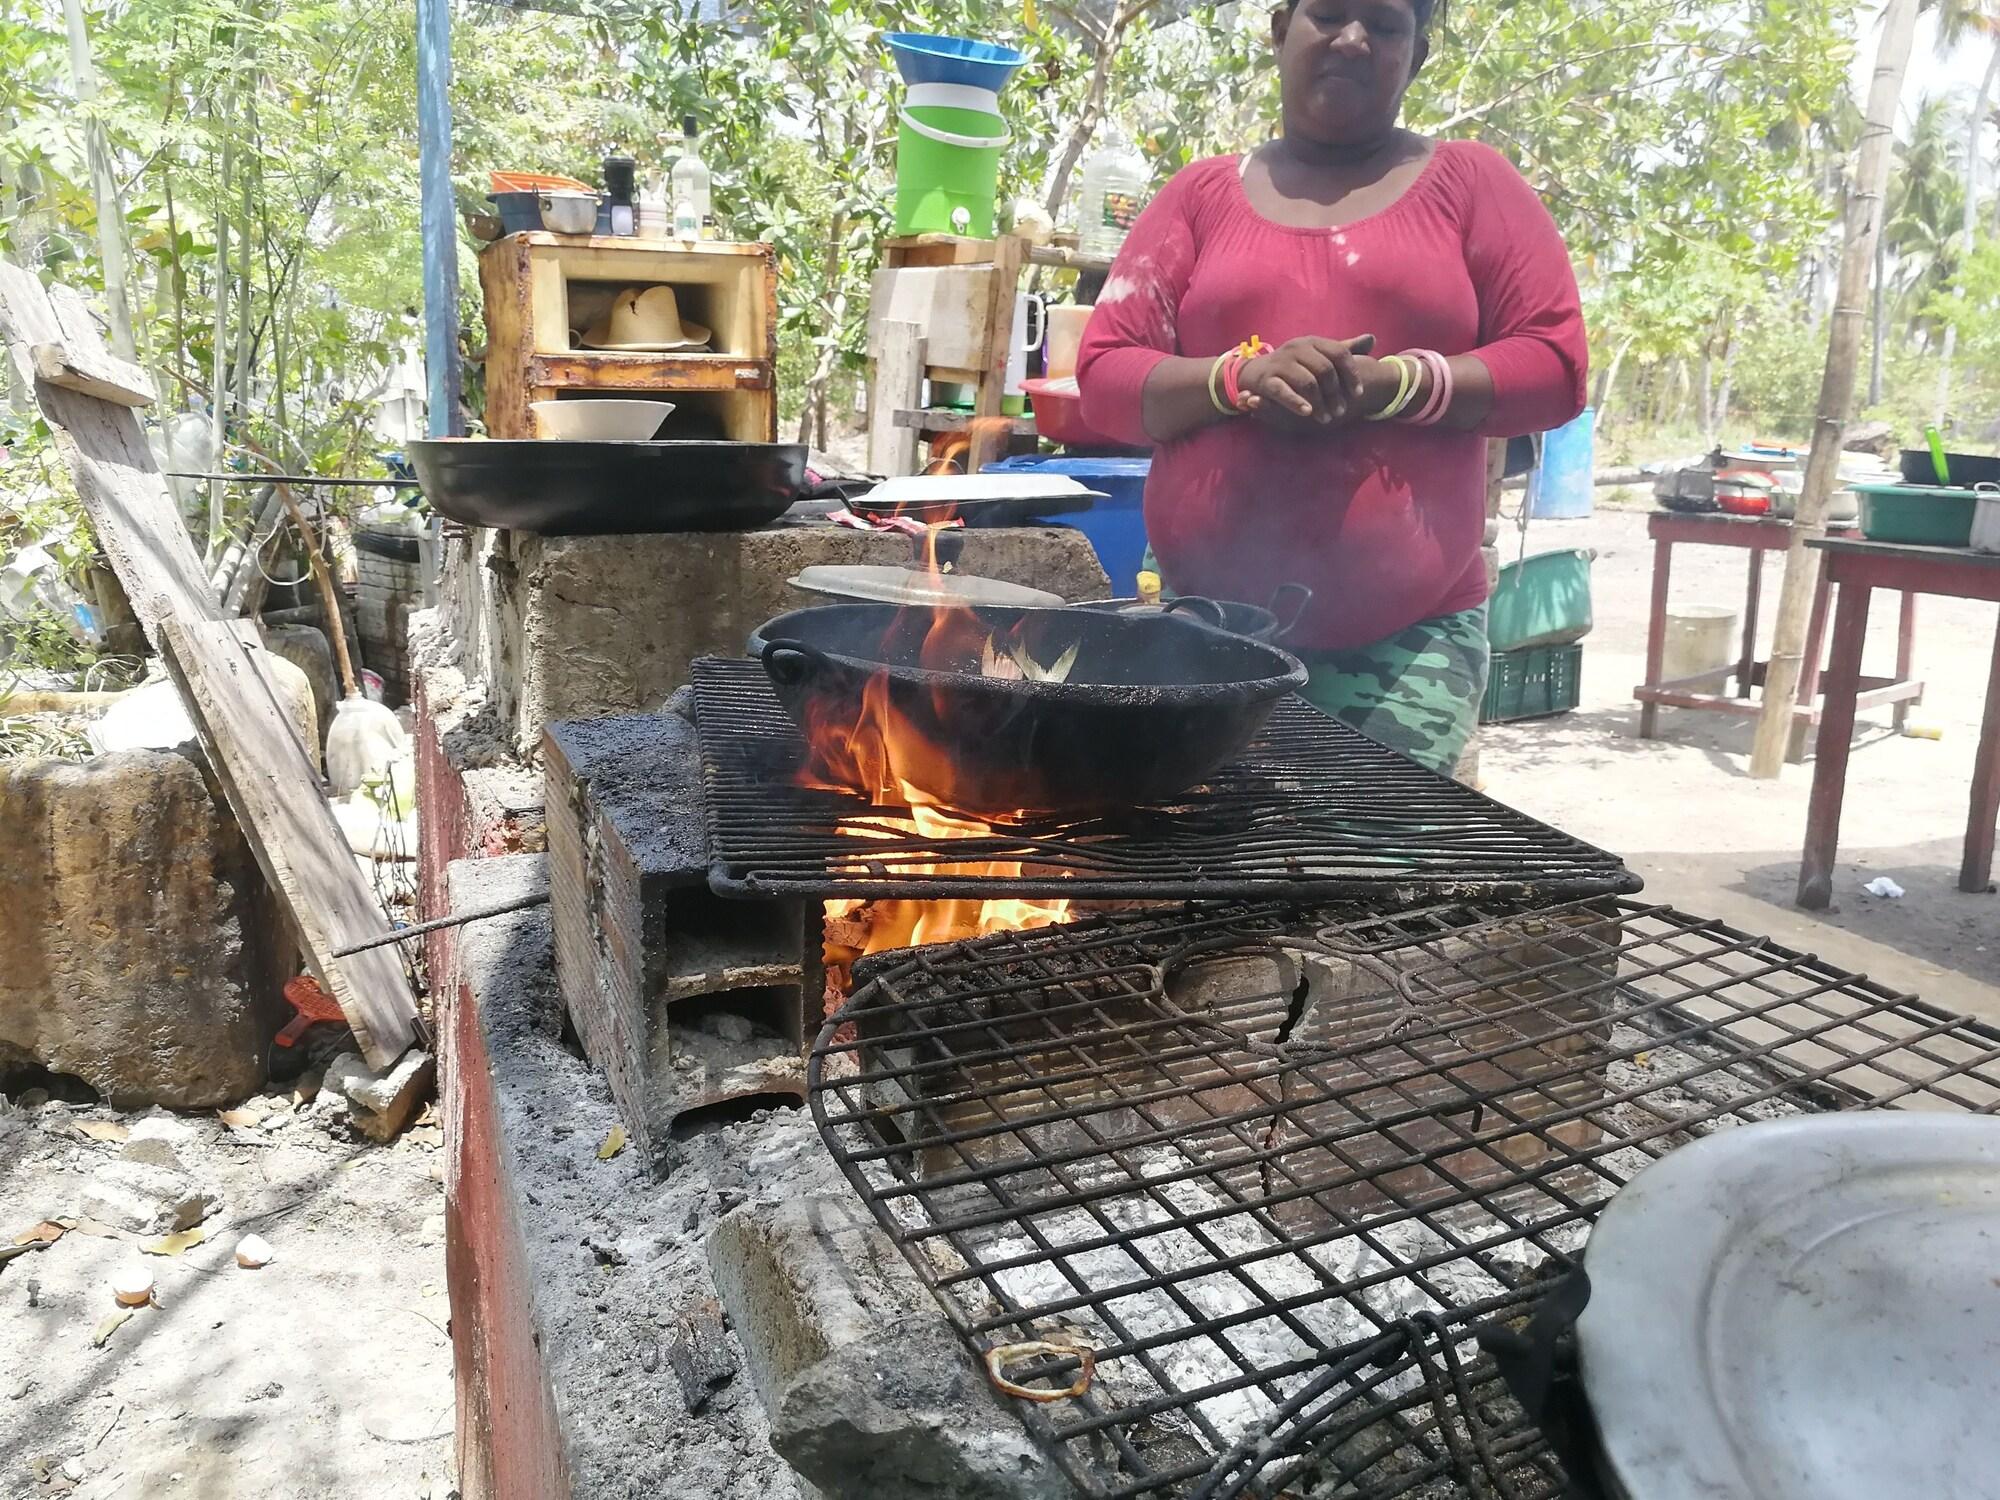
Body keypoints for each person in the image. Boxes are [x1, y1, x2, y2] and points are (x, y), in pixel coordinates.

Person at [1075, 0, 1586, 775]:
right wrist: (1239, 379)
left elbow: (1555, 366)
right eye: (1330, 14)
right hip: (1203, 632)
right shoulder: (1199, 196)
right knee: (1200, 848)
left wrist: (1392, 385)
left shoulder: (1473, 184)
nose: (1353, 39)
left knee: (1368, 852)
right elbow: (1104, 377)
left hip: (1405, 648)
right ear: (1281, 31)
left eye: (1384, 24)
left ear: (1416, 56)